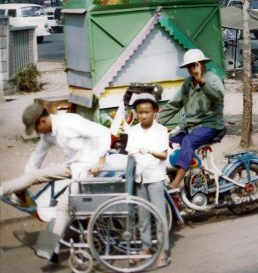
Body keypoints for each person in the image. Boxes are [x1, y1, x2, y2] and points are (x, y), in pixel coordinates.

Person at [0, 104, 111, 262]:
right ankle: (4, 189)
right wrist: (24, 183)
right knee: (33, 175)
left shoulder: (69, 122)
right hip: (73, 165)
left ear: (43, 120)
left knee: (62, 206)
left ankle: (51, 247)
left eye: (36, 128)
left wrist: (100, 159)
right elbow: (36, 159)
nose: (37, 133)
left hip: (89, 169)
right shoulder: (48, 134)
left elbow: (103, 131)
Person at [157, 49, 225, 190]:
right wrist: (153, 124)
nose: (192, 69)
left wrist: (202, 82)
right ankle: (182, 176)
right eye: (189, 66)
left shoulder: (212, 79)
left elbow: (218, 96)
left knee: (188, 141)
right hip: (191, 126)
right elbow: (174, 105)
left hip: (210, 125)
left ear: (201, 64)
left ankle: (177, 182)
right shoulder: (188, 84)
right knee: (168, 142)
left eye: (194, 65)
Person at [126, 93, 170, 268]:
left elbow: (164, 154)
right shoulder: (133, 131)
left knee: (159, 216)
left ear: (155, 112)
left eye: (146, 112)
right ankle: (145, 248)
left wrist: (150, 150)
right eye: (140, 112)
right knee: (143, 216)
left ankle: (163, 251)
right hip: (139, 178)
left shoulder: (161, 130)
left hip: (155, 178)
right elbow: (130, 152)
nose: (143, 116)